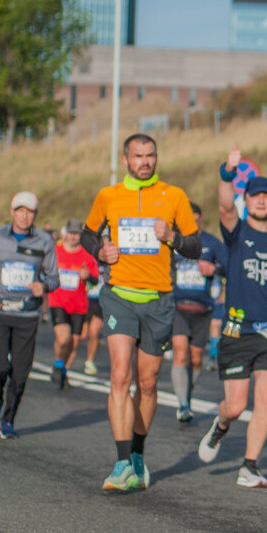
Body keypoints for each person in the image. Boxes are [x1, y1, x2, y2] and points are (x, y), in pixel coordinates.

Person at [80, 133, 201, 491]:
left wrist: (173, 238)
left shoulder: (174, 196)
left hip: (159, 300)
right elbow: (89, 235)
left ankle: (136, 454)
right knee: (120, 376)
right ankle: (120, 464)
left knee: (147, 383)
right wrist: (100, 253)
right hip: (119, 295)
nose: (145, 161)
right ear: (126, 159)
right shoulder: (109, 196)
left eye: (150, 155)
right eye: (138, 156)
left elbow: (195, 245)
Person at [196, 149, 267, 488]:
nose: (262, 202)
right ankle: (220, 426)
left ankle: (249, 466)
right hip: (238, 331)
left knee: (266, 399)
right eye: (256, 196)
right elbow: (224, 206)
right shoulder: (236, 233)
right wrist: (227, 172)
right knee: (236, 406)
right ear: (247, 200)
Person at [0, 191, 59, 439]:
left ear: (35, 215)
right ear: (12, 211)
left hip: (27, 314)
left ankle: (9, 420)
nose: (25, 216)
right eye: (20, 210)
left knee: (21, 373)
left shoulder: (44, 241)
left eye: (30, 211)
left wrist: (44, 286)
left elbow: (55, 278)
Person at [169, 202, 227, 423]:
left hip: (203, 310)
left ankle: (187, 395)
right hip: (177, 307)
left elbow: (230, 266)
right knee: (180, 353)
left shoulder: (212, 243)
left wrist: (215, 269)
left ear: (201, 218)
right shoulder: (173, 242)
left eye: (195, 218)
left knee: (195, 360)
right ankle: (183, 405)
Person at [48, 219, 98, 390]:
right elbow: (42, 269)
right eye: (71, 233)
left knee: (74, 343)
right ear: (65, 234)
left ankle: (63, 371)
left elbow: (96, 278)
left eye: (76, 234)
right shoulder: (55, 252)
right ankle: (58, 364)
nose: (73, 237)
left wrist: (88, 277)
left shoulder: (87, 255)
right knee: (63, 338)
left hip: (79, 304)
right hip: (58, 300)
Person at [76, 264, 106, 376]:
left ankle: (89, 361)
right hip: (86, 299)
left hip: (100, 301)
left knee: (94, 333)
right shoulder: (88, 257)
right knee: (82, 335)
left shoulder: (107, 259)